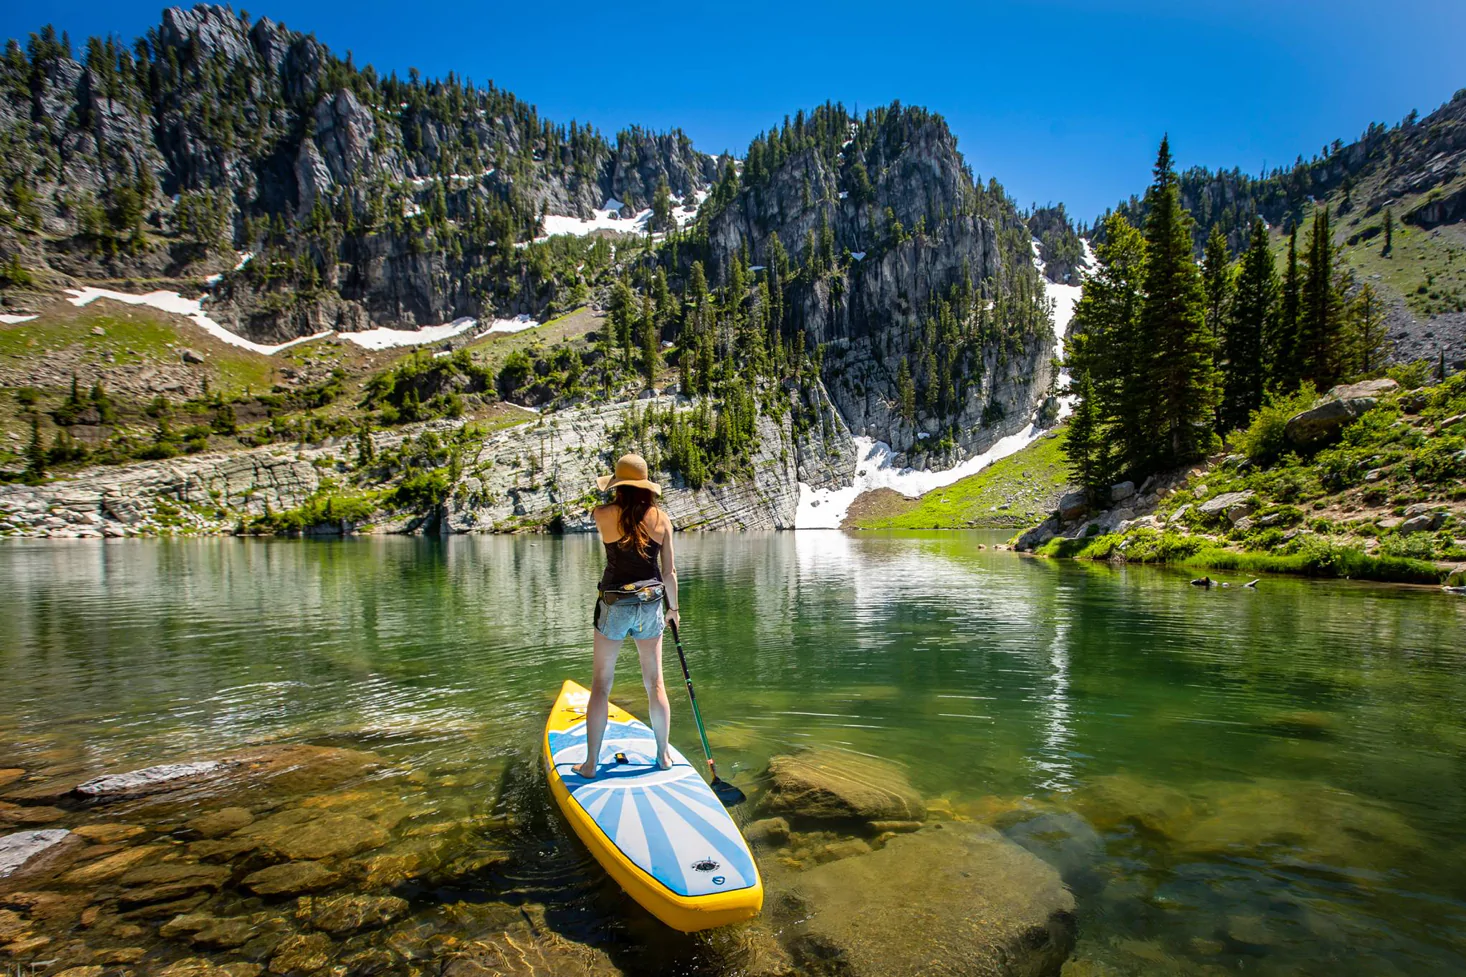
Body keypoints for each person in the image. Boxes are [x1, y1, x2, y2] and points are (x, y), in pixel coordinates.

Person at [572, 453, 680, 779]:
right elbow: (669, 573)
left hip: (614, 604)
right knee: (655, 683)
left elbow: (620, 531)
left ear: (618, 485)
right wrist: (673, 610)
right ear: (647, 487)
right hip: (650, 604)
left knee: (601, 685)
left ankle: (590, 764)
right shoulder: (662, 520)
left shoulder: (602, 514)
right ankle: (662, 755)